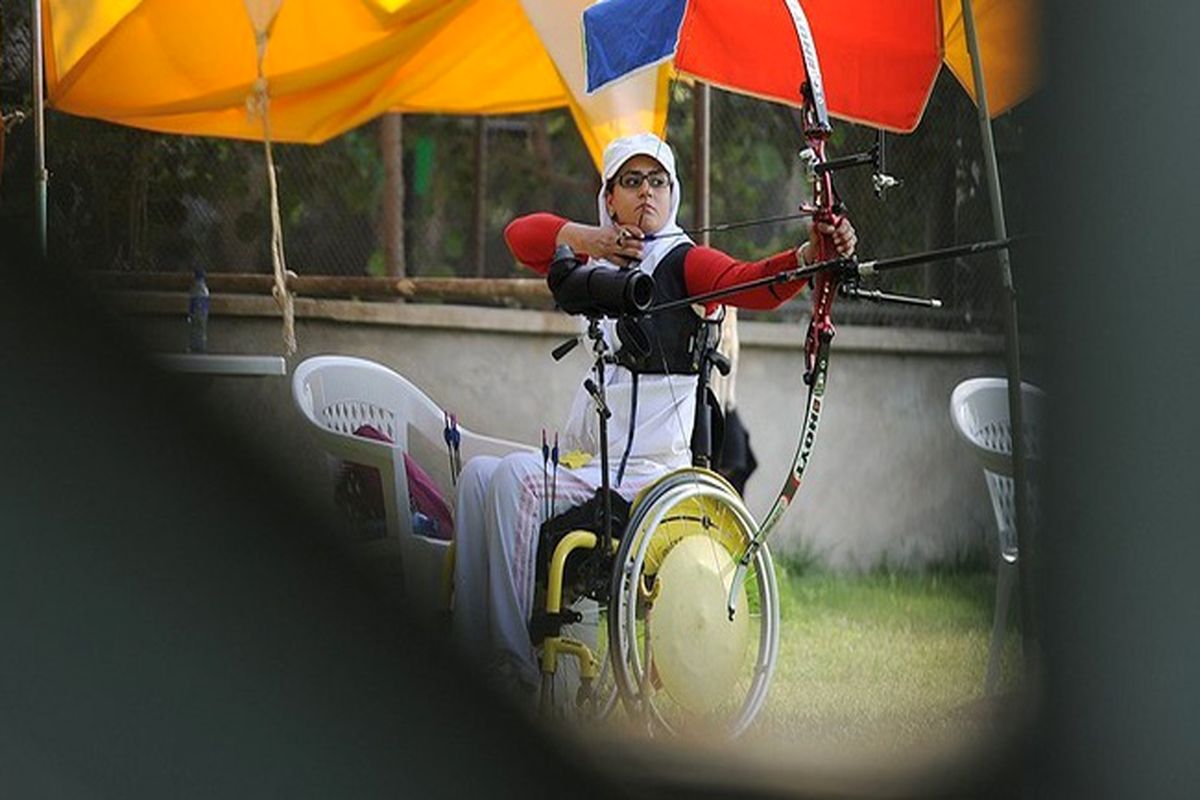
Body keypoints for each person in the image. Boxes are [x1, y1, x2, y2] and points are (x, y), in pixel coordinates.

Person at [452, 132, 856, 697]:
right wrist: (589, 239)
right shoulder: (596, 254)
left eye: (658, 181)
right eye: (632, 181)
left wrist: (813, 256)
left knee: (516, 481)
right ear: (610, 196)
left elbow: (751, 282)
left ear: (674, 192)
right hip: (598, 466)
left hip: (650, 476)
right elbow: (520, 236)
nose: (648, 193)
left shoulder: (684, 258)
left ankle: (510, 661)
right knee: (476, 478)